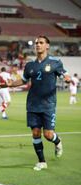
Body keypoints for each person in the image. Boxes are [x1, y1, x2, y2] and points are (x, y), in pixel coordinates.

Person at [8, 35, 70, 171]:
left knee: (48, 135)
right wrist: (10, 84)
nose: (38, 45)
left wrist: (67, 78)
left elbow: (64, 74)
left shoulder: (55, 62)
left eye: (41, 43)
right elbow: (23, 80)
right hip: (32, 104)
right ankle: (41, 161)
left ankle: (57, 141)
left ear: (47, 46)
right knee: (35, 133)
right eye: (36, 43)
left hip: (48, 104)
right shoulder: (30, 65)